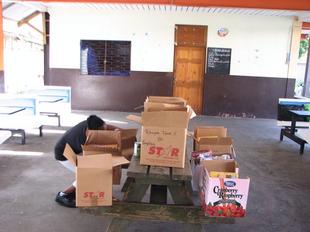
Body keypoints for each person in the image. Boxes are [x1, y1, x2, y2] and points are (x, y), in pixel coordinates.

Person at [54, 115, 118, 208]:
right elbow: (91, 159)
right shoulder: (83, 140)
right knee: (89, 173)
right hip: (64, 155)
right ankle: (63, 194)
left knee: (97, 171)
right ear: (94, 132)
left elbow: (107, 126)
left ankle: (80, 191)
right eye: (102, 131)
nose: (105, 131)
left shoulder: (90, 123)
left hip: (71, 150)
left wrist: (120, 131)